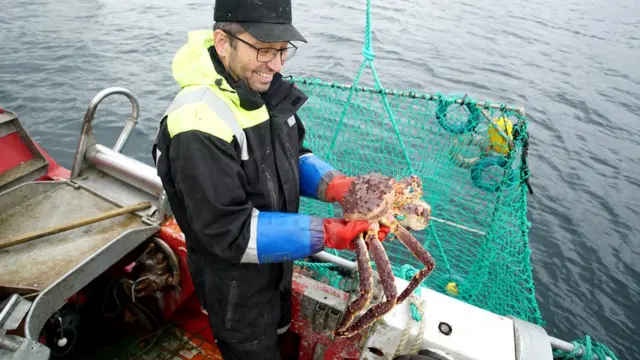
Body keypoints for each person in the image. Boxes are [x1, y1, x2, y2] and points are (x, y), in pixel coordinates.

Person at [152, 0, 389, 358]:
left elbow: (294, 155)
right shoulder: (196, 121)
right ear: (222, 42)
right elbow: (228, 231)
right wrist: (327, 233)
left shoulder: (264, 91)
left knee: (279, 334)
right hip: (233, 286)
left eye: (282, 51)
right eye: (264, 49)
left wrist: (337, 185)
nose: (276, 65)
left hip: (278, 265)